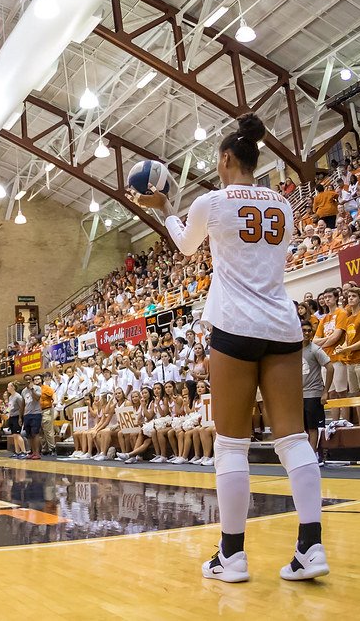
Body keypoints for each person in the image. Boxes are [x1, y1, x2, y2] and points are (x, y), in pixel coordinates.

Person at [131, 113, 329, 583]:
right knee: (293, 439)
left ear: (225, 159)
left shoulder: (213, 202)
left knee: (231, 445)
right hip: (283, 326)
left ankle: (232, 556)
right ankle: (311, 546)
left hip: (235, 326)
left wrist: (163, 206)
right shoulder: (283, 202)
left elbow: (183, 245)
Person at [335, 288, 360, 424]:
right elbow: (347, 339)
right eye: (349, 296)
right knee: (356, 395)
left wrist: (346, 349)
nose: (350, 298)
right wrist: (342, 347)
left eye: (353, 296)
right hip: (350, 361)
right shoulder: (349, 318)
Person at [300, 322, 333, 457]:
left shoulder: (315, 350)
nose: (307, 333)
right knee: (303, 428)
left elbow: (330, 368)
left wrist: (325, 391)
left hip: (313, 394)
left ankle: (313, 455)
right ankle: (305, 454)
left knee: (313, 427)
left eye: (309, 331)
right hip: (299, 395)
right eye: (304, 330)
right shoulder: (294, 350)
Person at [21, 374, 43, 460]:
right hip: (27, 414)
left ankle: (37, 453)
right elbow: (23, 404)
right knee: (29, 434)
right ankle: (32, 452)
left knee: (35, 433)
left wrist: (32, 389)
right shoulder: (23, 391)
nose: (28, 381)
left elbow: (37, 398)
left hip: (36, 413)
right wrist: (20, 416)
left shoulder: (37, 388)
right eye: (26, 380)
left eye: (30, 379)